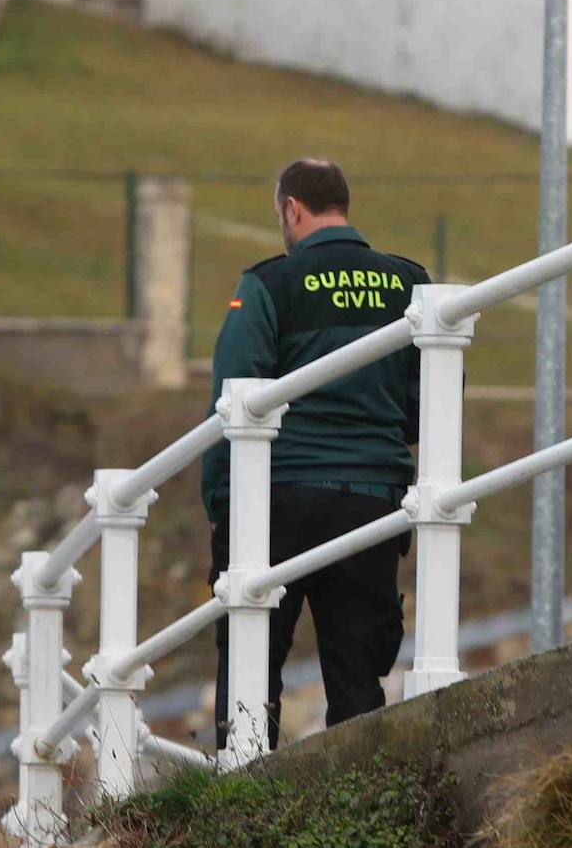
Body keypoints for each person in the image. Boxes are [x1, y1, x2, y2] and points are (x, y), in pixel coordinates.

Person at [200, 158, 429, 749]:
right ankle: (362, 806)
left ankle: (244, 801)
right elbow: (428, 401)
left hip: (277, 501)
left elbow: (232, 398)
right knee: (359, 680)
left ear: (292, 209)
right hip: (373, 502)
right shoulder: (408, 283)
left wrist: (221, 504)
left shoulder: (268, 285)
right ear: (343, 206)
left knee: (252, 668)